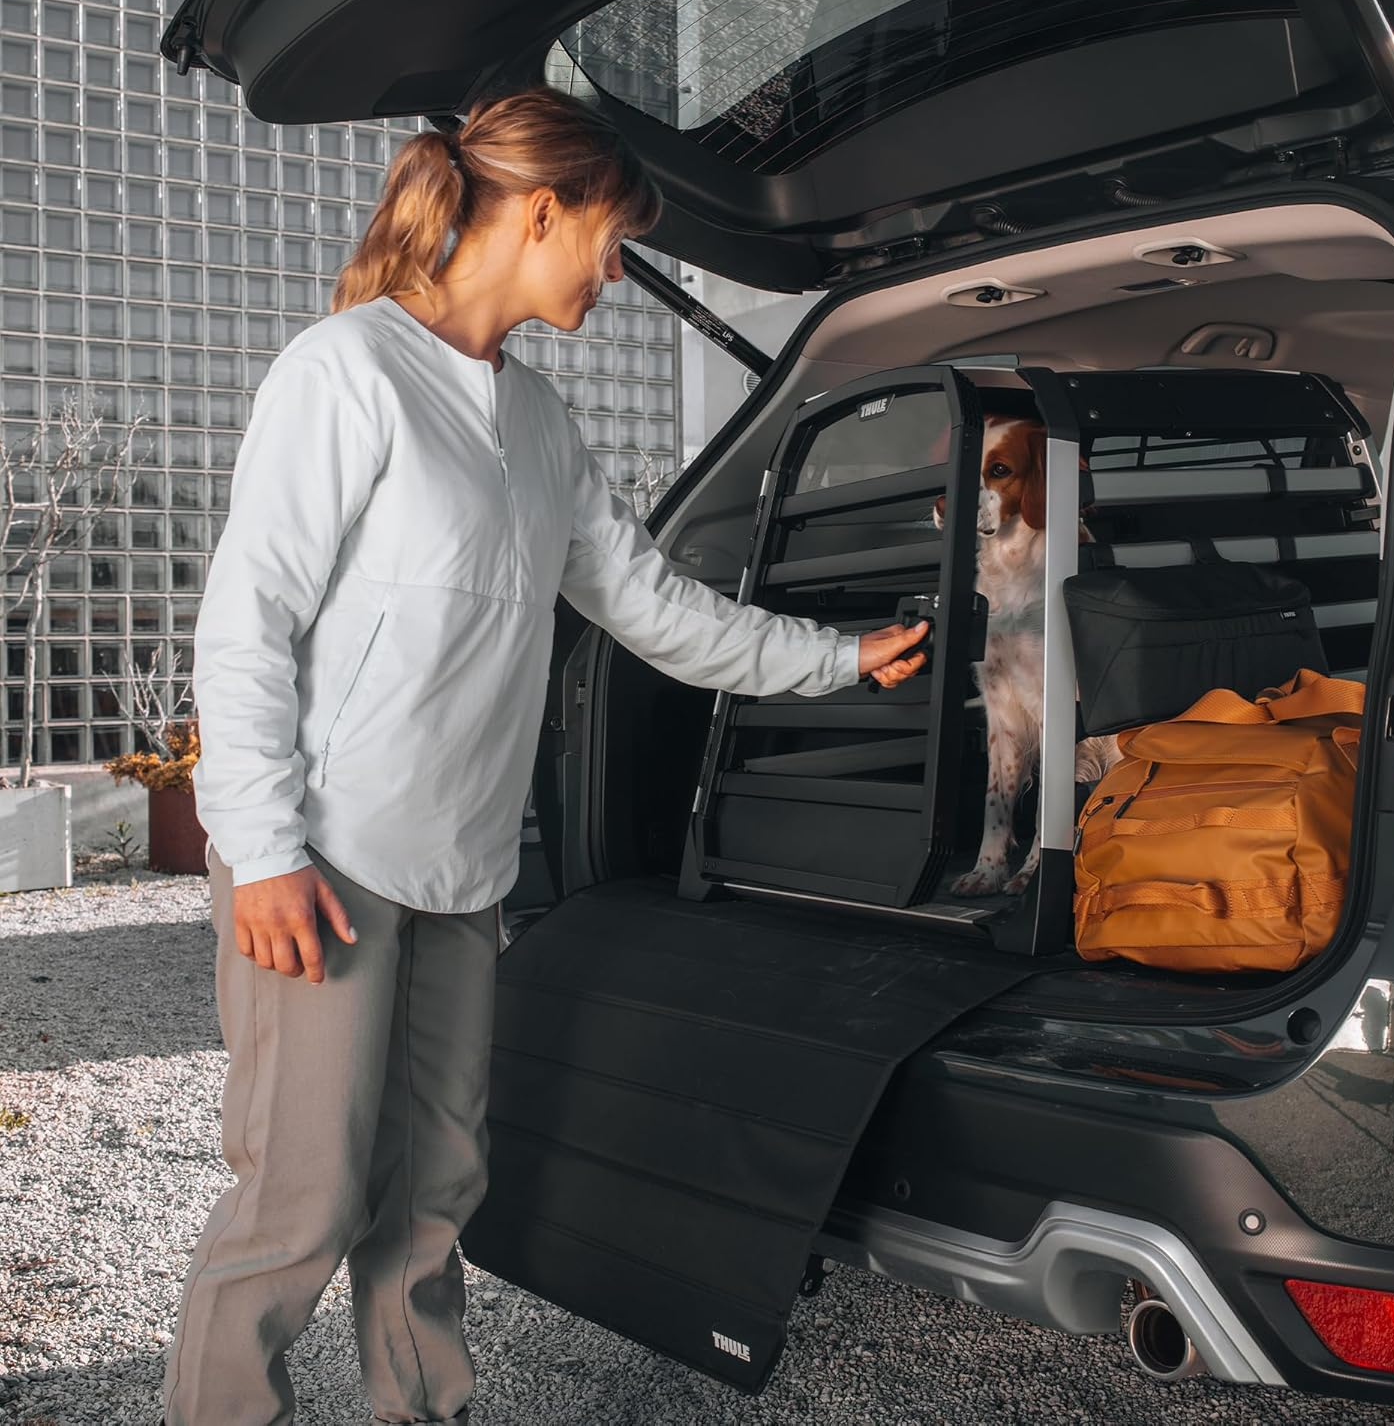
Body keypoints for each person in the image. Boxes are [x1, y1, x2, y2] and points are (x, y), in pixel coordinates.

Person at [162, 85, 929, 1426]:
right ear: (540, 211)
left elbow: (654, 610)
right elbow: (245, 628)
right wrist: (265, 851)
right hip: (326, 869)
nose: (616, 270)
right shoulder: (348, 372)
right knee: (301, 1204)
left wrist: (841, 657)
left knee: (431, 1198)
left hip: (459, 880)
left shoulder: (540, 427)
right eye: (611, 238)